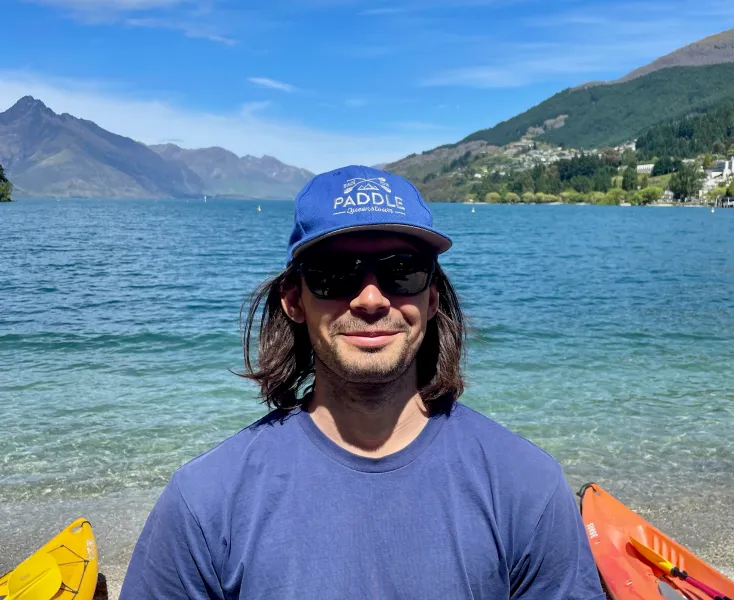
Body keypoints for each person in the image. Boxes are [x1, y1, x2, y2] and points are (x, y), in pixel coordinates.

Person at [119, 165, 605, 599]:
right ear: (293, 299)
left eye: (403, 271)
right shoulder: (205, 502)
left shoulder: (526, 488)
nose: (371, 299)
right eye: (334, 273)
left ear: (432, 298)